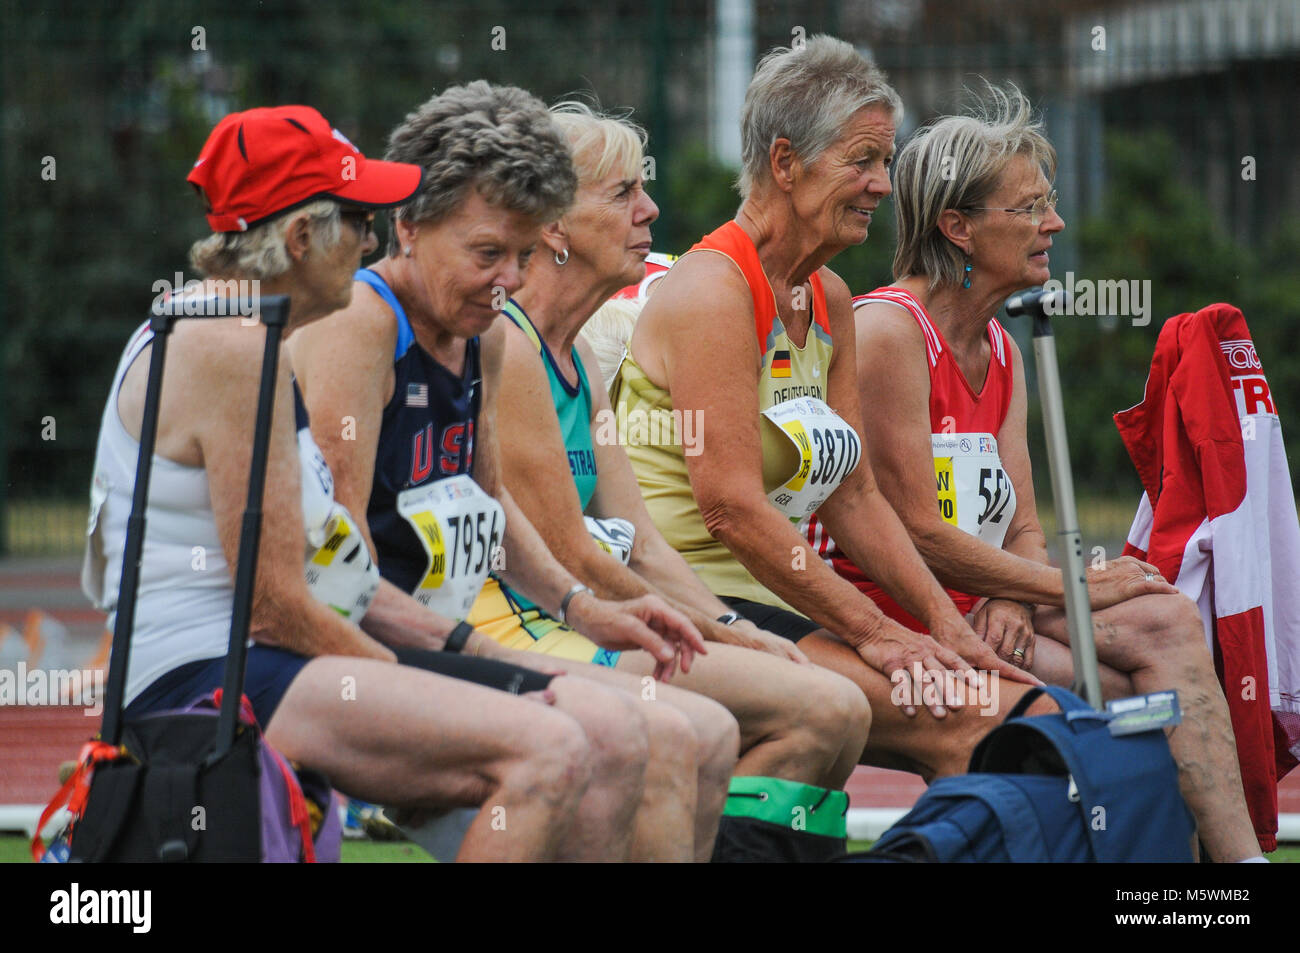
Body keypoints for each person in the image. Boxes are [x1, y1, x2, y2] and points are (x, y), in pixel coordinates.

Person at [82, 105, 692, 862]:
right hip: (208, 679)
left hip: (263, 660)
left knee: (618, 731)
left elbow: (335, 578)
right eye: (357, 221)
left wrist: (476, 646)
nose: (370, 241)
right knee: (557, 747)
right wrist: (441, 676)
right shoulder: (234, 350)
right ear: (301, 238)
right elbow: (276, 605)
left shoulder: (244, 333)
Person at [289, 83, 745, 862]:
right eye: (486, 253)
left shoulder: (486, 337)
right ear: (407, 227)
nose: (508, 280)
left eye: (523, 255)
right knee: (634, 734)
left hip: (437, 640)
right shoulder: (363, 327)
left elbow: (492, 505)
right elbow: (340, 573)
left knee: (697, 729)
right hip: (353, 651)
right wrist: (476, 650)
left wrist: (581, 606)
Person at [819, 84, 1262, 860]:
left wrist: (1012, 592)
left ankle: (1233, 874)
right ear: (956, 227)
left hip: (981, 600)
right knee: (1130, 698)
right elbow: (916, 530)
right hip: (887, 614)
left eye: (1048, 203)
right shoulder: (887, 331)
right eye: (1027, 209)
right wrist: (1067, 587)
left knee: (1162, 622)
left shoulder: (1005, 348)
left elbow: (1023, 524)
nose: (1053, 224)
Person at [611, 37, 1050, 778]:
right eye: (863, 160)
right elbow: (732, 511)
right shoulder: (717, 289)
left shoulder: (829, 298)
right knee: (994, 725)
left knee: (1012, 704)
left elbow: (856, 495)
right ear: (785, 164)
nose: (883, 184)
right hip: (698, 602)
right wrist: (878, 630)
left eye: (885, 161)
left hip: (783, 601)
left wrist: (946, 625)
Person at [488, 100, 873, 861]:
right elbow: (569, 553)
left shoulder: (582, 362)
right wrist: (707, 629)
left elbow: (643, 544)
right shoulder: (511, 350)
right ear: (554, 227)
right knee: (823, 709)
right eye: (623, 192)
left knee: (836, 709)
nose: (650, 208)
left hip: (591, 615)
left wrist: (738, 629)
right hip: (532, 630)